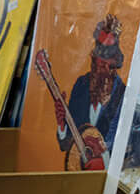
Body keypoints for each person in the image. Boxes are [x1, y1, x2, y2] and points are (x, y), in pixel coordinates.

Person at [52, 14, 126, 169]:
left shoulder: (123, 95)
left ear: (115, 61)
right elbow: (66, 145)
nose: (101, 64)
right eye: (98, 56)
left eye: (107, 58)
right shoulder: (81, 85)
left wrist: (104, 161)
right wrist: (62, 125)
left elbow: (127, 146)